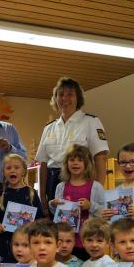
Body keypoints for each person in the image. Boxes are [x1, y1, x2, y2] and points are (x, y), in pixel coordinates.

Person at [35, 77, 109, 211]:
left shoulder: (91, 122)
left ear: (78, 98)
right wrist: (42, 196)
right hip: (53, 182)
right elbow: (43, 163)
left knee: (80, 222)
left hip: (80, 181)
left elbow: (100, 158)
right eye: (61, 94)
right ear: (55, 98)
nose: (65, 98)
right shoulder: (49, 128)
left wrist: (97, 192)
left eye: (70, 94)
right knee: (56, 225)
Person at [48, 145, 106, 260]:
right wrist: (53, 204)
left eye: (80, 160)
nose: (75, 163)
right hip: (65, 242)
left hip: (87, 241)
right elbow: (57, 214)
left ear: (87, 164)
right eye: (72, 160)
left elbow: (105, 213)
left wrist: (90, 206)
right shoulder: (61, 186)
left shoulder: (96, 187)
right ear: (66, 163)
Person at [0, 154, 44, 263]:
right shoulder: (1, 194)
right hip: (6, 242)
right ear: (4, 172)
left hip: (26, 243)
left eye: (16, 167)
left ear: (24, 171)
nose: (12, 170)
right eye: (8, 168)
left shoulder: (31, 193)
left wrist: (33, 225)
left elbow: (40, 218)